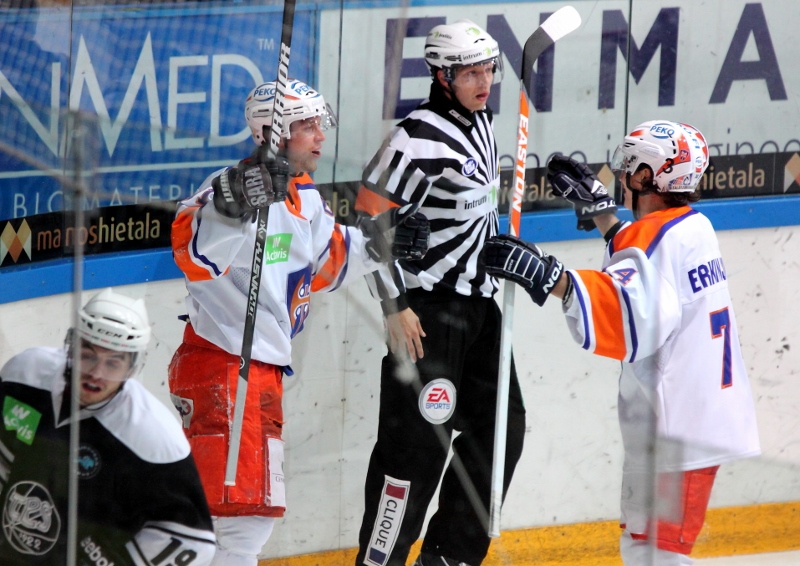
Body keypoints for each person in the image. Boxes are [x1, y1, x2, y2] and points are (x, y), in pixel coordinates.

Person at [169, 79, 429, 566]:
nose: (320, 136)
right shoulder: (230, 184)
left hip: (255, 371)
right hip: (225, 366)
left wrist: (381, 243)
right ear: (273, 132)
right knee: (241, 520)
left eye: (318, 124)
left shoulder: (304, 196)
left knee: (240, 518)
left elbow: (326, 262)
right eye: (307, 125)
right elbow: (194, 252)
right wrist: (232, 204)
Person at [480, 121, 761, 565]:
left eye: (630, 166)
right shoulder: (693, 227)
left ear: (647, 177)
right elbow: (649, 276)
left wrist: (552, 279)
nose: (622, 173)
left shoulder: (657, 238)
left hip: (677, 430)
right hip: (689, 421)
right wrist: (604, 218)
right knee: (643, 545)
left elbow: (633, 319)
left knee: (656, 554)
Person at [353, 20, 526, 566]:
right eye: (470, 73)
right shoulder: (417, 136)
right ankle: (379, 560)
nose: (483, 81)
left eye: (488, 70)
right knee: (414, 454)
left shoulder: (484, 123)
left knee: (502, 430)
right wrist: (394, 305)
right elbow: (367, 220)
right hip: (426, 314)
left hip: (481, 310)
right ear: (440, 75)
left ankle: (448, 555)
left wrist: (498, 250)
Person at [0, 288, 216, 565]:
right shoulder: (25, 376)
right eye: (88, 355)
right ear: (71, 345)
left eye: (113, 362)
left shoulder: (152, 437)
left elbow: (194, 540)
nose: (96, 373)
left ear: (132, 367)